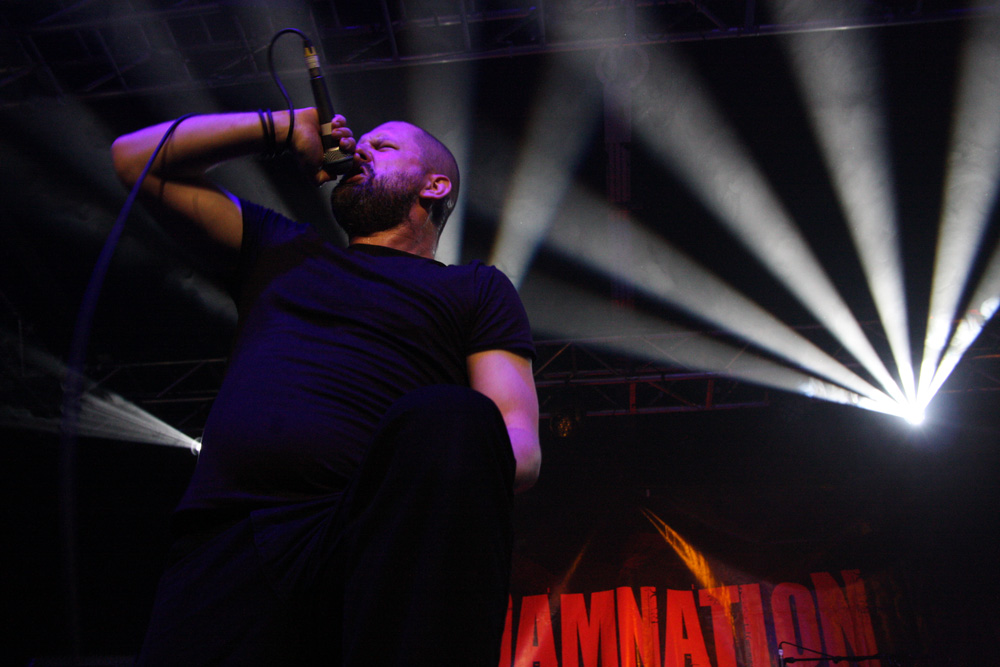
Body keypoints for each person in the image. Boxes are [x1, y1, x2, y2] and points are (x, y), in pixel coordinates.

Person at [111, 107, 541, 665]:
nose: (360, 149)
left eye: (383, 147)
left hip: (374, 543)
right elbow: (134, 160)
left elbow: (517, 444)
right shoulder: (280, 249)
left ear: (435, 186)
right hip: (231, 538)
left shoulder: (475, 289)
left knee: (453, 413)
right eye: (362, 143)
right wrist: (283, 127)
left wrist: (438, 483)